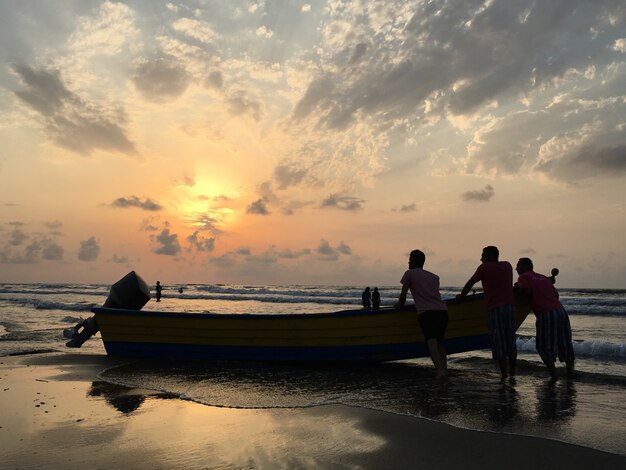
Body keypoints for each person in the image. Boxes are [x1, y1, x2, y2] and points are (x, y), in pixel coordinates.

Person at [458, 246, 517, 379]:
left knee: (499, 340)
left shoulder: (484, 268)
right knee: (510, 340)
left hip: (495, 308)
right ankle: (512, 373)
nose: (481, 258)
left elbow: (470, 283)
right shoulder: (507, 266)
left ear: (490, 256)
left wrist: (461, 297)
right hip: (510, 308)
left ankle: (504, 375)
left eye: (483, 255)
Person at [515, 258, 575, 379]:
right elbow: (556, 295)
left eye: (518, 266)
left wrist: (517, 289)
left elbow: (526, 292)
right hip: (561, 311)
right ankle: (570, 374)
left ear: (526, 266)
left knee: (543, 346)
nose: (516, 269)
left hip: (545, 313)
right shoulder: (543, 277)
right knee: (565, 344)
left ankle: (554, 375)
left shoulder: (523, 277)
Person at [395, 249, 448, 379]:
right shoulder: (434, 277)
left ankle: (439, 371)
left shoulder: (409, 273)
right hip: (442, 311)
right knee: (440, 342)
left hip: (426, 312)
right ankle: (444, 370)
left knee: (431, 340)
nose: (408, 262)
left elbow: (403, 296)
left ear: (412, 262)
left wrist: (399, 306)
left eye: (409, 260)